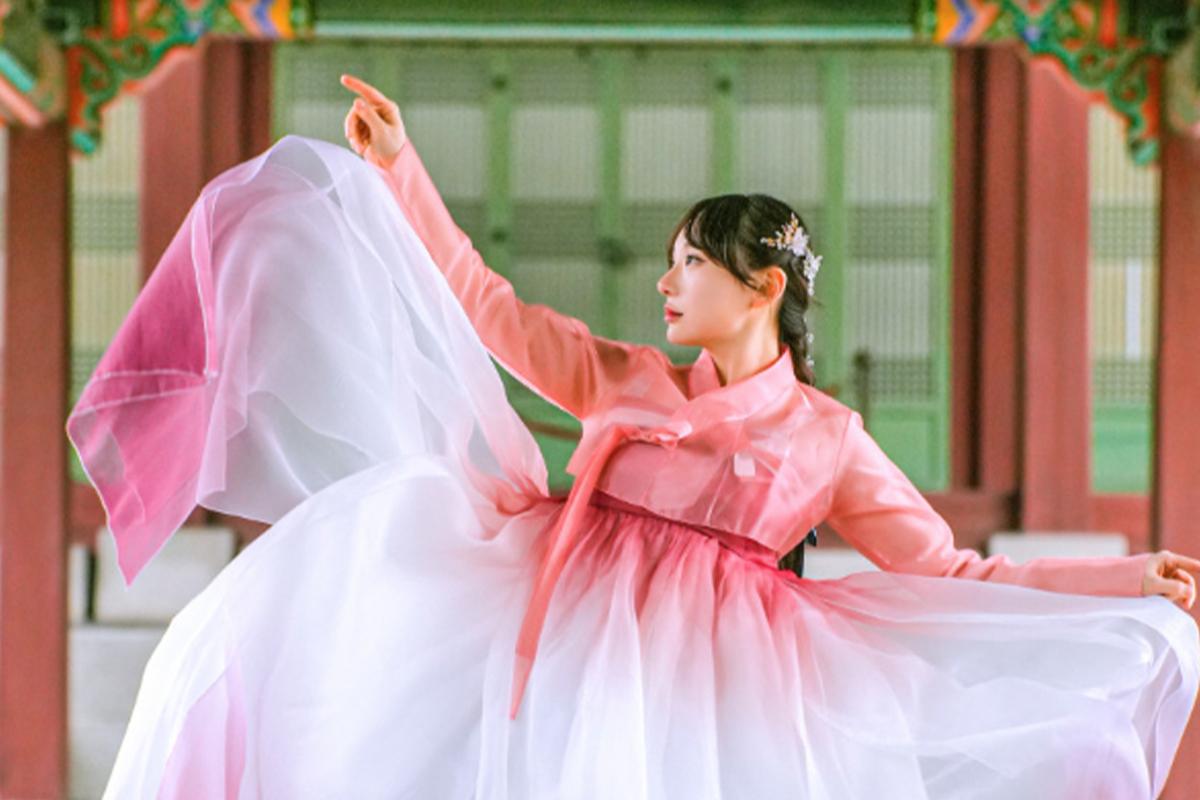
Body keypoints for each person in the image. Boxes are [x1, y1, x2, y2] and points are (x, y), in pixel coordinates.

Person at [67, 70, 1199, 798]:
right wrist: (401, 173)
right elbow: (491, 307)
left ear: (761, 285)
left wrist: (1119, 576)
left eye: (690, 261)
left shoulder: (829, 437)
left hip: (722, 686)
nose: (665, 280)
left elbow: (952, 568)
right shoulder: (628, 377)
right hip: (559, 631)